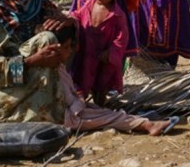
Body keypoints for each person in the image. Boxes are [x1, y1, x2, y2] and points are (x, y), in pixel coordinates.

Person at [25, 26, 177, 136]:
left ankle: (140, 119)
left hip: (68, 112)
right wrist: (81, 100)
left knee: (103, 112)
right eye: (65, 47)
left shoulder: (56, 68)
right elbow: (72, 106)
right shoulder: (53, 74)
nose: (70, 51)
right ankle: (148, 125)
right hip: (67, 118)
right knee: (110, 117)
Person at [69, 0, 129, 106]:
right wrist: (70, 19)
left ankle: (100, 108)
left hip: (104, 59)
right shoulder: (89, 4)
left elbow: (122, 38)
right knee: (80, 81)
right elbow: (78, 15)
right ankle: (81, 108)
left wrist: (111, 52)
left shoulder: (117, 15)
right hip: (86, 53)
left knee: (101, 85)